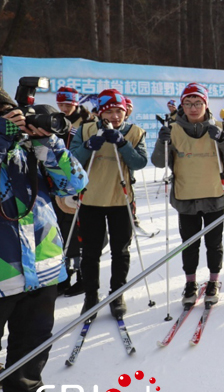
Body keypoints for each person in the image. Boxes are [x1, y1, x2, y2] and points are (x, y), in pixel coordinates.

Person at [0, 87, 88, 392]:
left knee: (33, 341)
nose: (14, 122)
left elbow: (75, 184)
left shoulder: (31, 149)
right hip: (4, 267)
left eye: (14, 114)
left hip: (43, 263)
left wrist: (49, 143)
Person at [152, 83, 224, 307]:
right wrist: (162, 142)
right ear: (182, 105)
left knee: (214, 243)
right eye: (188, 103)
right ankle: (190, 283)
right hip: (186, 197)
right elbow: (158, 162)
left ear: (206, 104)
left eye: (198, 103)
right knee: (189, 244)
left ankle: (213, 281)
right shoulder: (172, 130)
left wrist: (222, 138)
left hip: (215, 195)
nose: (193, 108)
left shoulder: (220, 127)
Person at [70, 89, 148, 319]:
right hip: (91, 199)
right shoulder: (86, 129)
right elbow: (71, 159)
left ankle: (117, 294)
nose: (115, 116)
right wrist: (88, 146)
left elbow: (140, 162)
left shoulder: (135, 132)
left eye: (119, 111)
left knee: (120, 251)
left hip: (120, 200)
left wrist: (123, 143)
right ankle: (91, 297)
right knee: (91, 253)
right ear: (100, 113)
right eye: (110, 111)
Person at [54, 86, 95, 297]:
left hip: (81, 181)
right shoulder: (57, 121)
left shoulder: (87, 123)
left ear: (76, 103)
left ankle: (82, 275)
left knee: (80, 230)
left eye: (68, 104)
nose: (64, 108)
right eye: (61, 104)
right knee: (61, 228)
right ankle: (64, 274)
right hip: (59, 182)